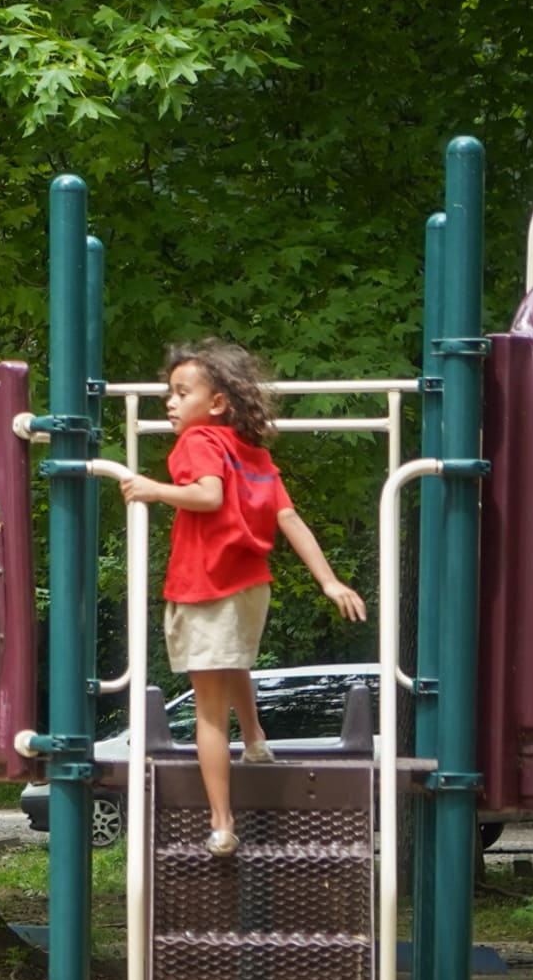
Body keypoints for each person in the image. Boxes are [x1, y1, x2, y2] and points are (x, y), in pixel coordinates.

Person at [116, 340, 367, 856]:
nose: (170, 402)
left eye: (182, 393)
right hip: (252, 586)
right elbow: (289, 518)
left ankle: (221, 821)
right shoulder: (254, 452)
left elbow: (206, 496)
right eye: (169, 392)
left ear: (217, 404)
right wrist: (329, 581)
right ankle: (255, 741)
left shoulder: (199, 441)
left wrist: (151, 489)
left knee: (209, 710)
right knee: (233, 664)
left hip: (205, 584)